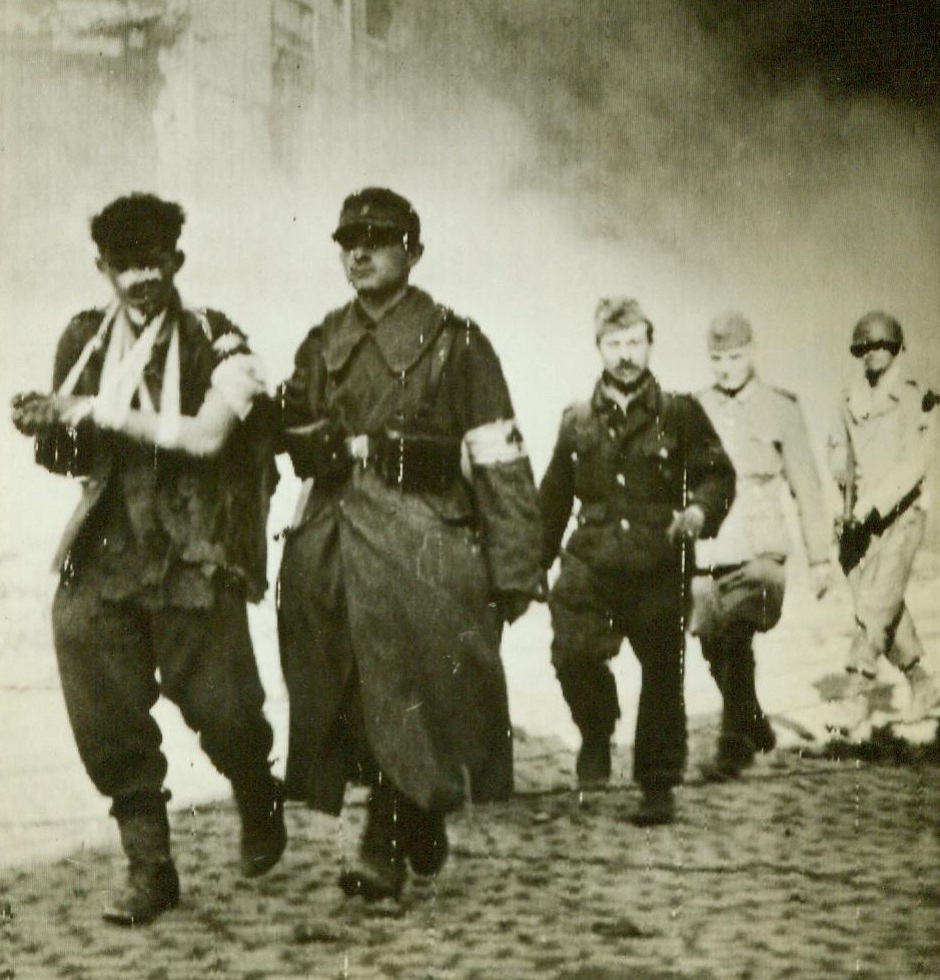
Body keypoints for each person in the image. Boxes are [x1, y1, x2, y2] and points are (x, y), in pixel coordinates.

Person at [10, 193, 284, 926]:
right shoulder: (83, 341)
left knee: (223, 709)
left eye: (152, 262)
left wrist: (89, 413)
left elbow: (205, 438)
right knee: (94, 679)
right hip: (108, 544)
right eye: (123, 265)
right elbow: (72, 455)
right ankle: (150, 866)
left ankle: (255, 787)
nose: (139, 278)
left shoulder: (214, 337)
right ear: (102, 268)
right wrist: (47, 429)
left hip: (194, 542)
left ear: (176, 262)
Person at [276, 187, 542, 900]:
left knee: (409, 682)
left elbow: (498, 456)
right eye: (348, 240)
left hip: (424, 539)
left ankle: (386, 841)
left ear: (413, 252)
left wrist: (516, 566)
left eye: (379, 238)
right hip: (332, 537)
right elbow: (284, 424)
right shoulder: (322, 340)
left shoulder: (458, 343)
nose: (360, 251)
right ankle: (414, 814)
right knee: (344, 688)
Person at [539, 298, 735, 825]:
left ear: (649, 344)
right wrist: (533, 565)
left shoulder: (680, 412)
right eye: (614, 344)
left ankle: (657, 784)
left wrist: (698, 510)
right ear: (598, 348)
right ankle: (598, 730)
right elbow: (554, 498)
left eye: (634, 343)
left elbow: (719, 475)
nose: (625, 355)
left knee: (662, 675)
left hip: (658, 560)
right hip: (592, 565)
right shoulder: (576, 421)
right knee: (571, 656)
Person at [689, 311, 831, 780]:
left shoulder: (781, 409)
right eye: (717, 359)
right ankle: (753, 724)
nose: (725, 367)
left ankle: (734, 744)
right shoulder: (694, 408)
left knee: (736, 633)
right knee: (712, 641)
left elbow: (807, 488)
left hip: (761, 552)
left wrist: (820, 557)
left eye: (733, 357)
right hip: (710, 554)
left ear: (751, 353)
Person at [827, 310, 940, 732]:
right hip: (859, 519)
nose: (874, 353)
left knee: (876, 604)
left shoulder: (916, 398)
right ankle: (922, 683)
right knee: (879, 603)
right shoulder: (848, 398)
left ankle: (856, 690)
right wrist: (844, 508)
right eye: (867, 347)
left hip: (903, 515)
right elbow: (842, 455)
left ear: (895, 349)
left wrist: (870, 506)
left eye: (882, 346)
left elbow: (913, 466)